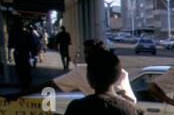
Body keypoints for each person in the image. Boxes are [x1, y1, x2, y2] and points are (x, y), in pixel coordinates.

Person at [7, 40, 136, 103]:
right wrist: (19, 94)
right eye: (85, 52)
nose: (87, 56)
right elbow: (51, 84)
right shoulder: (81, 71)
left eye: (91, 52)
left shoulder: (120, 72)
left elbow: (131, 101)